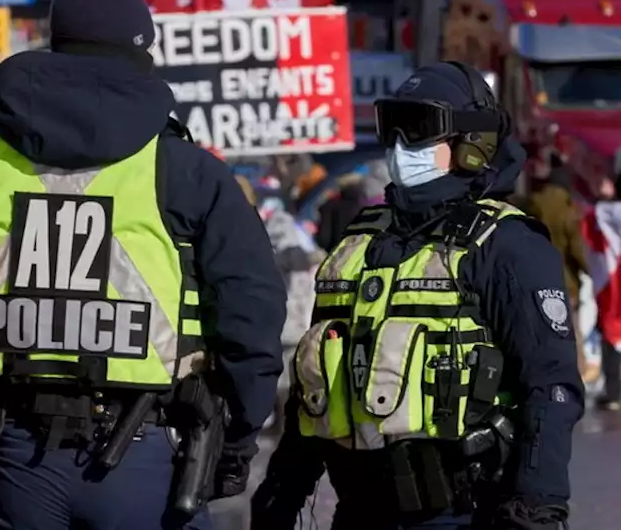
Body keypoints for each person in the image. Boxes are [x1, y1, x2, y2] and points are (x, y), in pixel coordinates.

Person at [0, 0, 287, 529]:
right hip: (155, 464)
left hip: (13, 457)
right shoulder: (190, 173)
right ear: (141, 55)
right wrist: (232, 448)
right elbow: (252, 323)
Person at [251, 62, 583, 529]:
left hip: (460, 513)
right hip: (360, 513)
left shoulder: (507, 246)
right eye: (394, 127)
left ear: (474, 145)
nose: (403, 145)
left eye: (421, 128)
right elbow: (317, 381)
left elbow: (551, 388)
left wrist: (536, 509)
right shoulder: (359, 243)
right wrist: (281, 491)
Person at [525, 155, 591, 381]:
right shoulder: (568, 211)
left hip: (534, 279)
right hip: (566, 283)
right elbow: (578, 250)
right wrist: (590, 271)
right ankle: (575, 375)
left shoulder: (531, 204)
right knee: (570, 330)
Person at [584, 174, 621, 411]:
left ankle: (615, 391)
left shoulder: (605, 213)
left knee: (611, 333)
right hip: (612, 283)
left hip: (612, 286)